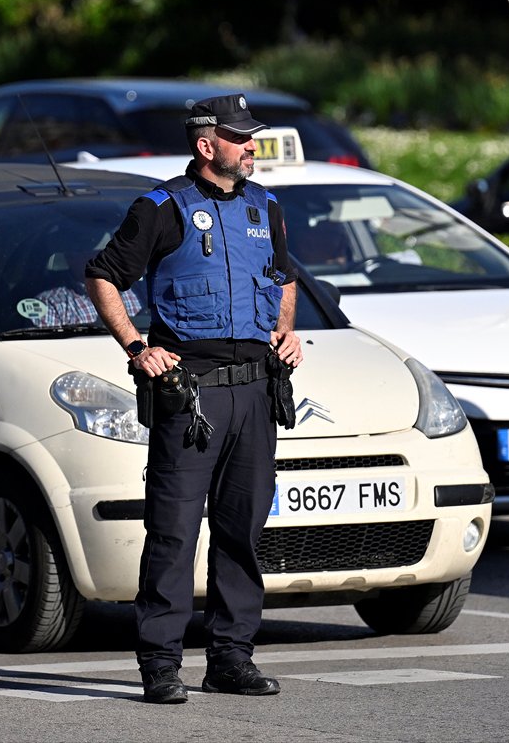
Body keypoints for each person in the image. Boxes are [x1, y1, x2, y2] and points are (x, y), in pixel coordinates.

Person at [85, 94, 302, 704]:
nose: (252, 146)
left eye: (252, 136)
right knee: (174, 533)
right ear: (207, 146)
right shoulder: (161, 208)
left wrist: (285, 330)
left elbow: (283, 277)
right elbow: (102, 275)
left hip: (255, 393)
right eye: (240, 137)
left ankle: (232, 658)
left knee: (242, 531)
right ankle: (160, 664)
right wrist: (137, 347)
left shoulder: (266, 206)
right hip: (191, 397)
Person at [26, 250, 141, 328]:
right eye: (87, 251)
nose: (101, 257)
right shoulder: (51, 304)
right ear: (70, 257)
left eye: (107, 250)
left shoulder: (139, 290)